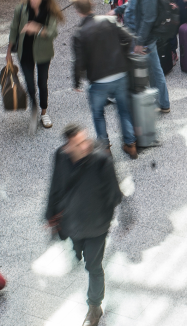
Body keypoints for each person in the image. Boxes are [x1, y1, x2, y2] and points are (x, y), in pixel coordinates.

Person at [46, 124, 123, 326]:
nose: (84, 146)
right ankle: (77, 252)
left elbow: (114, 194)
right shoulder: (61, 157)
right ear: (68, 146)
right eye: (78, 144)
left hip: (96, 226)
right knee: (78, 252)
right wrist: (50, 214)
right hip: (72, 223)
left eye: (85, 141)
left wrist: (105, 217)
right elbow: (55, 185)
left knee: (94, 266)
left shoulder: (101, 160)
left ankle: (94, 306)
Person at [70, 0, 139, 158]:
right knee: (124, 110)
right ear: (92, 6)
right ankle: (131, 145)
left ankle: (106, 149)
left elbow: (78, 62)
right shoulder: (109, 20)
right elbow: (129, 37)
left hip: (98, 80)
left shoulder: (79, 33)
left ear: (78, 11)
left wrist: (77, 82)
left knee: (98, 114)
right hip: (120, 74)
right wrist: (122, 55)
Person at [111, 0, 172, 113]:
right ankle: (160, 102)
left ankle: (163, 103)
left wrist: (140, 42)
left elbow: (148, 17)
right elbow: (132, 4)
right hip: (138, 37)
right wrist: (118, 10)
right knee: (152, 70)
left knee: (155, 71)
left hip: (144, 40)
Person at [7, 0, 63, 129]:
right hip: (25, 52)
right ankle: (34, 109)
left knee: (42, 83)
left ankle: (44, 112)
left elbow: (52, 33)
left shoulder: (49, 11)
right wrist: (8, 52)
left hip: (43, 53)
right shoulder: (21, 9)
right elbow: (14, 28)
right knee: (30, 85)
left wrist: (37, 28)